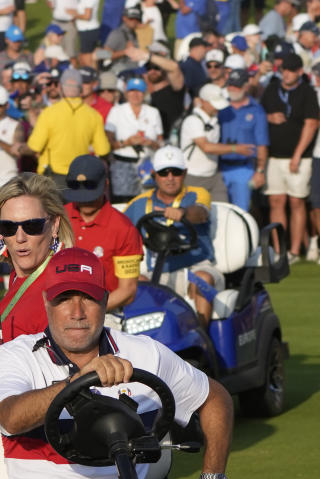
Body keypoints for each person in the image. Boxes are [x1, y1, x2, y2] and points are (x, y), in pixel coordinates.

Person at [0, 247, 235, 479]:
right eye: (64, 299)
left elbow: (215, 398)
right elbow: (8, 418)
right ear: (47, 302)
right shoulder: (16, 355)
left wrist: (212, 478)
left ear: (106, 301)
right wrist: (76, 381)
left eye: (89, 299)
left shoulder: (145, 352)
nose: (77, 312)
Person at [124, 146, 223, 327]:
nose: (170, 177)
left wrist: (183, 213)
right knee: (134, 281)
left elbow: (201, 213)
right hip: (156, 270)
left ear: (184, 173)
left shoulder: (197, 194)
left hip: (195, 266)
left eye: (176, 172)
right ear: (154, 175)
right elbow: (119, 230)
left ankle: (202, 340)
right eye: (164, 172)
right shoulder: (138, 203)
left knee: (202, 279)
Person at [0, 173, 75, 349]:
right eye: (8, 227)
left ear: (54, 225)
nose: (20, 237)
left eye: (32, 225)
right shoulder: (17, 276)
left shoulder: (63, 288)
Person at [61, 155, 143, 324]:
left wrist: (86, 312)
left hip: (104, 314)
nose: (84, 200)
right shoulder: (57, 218)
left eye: (90, 193)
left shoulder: (124, 228)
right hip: (58, 310)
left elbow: (127, 290)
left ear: (106, 185)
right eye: (79, 192)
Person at [261, 53, 319, 261]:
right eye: (284, 69)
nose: (286, 73)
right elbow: (260, 113)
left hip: (299, 158)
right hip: (273, 157)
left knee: (296, 202)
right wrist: (269, 117)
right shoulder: (272, 89)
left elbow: (311, 124)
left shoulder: (307, 92)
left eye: (291, 70)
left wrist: (297, 155)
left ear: (299, 72)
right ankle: (279, 249)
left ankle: (294, 251)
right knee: (276, 201)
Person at [26, 69, 111, 188]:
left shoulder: (49, 113)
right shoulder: (94, 115)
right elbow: (103, 150)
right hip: (80, 176)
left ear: (60, 87)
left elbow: (34, 146)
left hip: (52, 177)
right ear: (81, 88)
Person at [179, 83, 250, 203]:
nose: (217, 108)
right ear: (203, 101)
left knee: (224, 211)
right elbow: (206, 147)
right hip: (194, 177)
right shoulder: (192, 121)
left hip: (214, 175)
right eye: (213, 104)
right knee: (195, 215)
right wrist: (235, 149)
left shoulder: (214, 120)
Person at [105, 76, 163, 202]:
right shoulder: (116, 111)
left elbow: (160, 143)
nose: (135, 95)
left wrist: (150, 142)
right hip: (122, 164)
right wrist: (127, 142)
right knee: (122, 203)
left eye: (139, 91)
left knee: (147, 200)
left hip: (147, 163)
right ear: (126, 93)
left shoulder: (153, 112)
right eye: (132, 91)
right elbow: (108, 143)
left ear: (144, 93)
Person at [219, 68, 269, 212]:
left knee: (241, 213)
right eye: (230, 84)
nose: (232, 89)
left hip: (243, 169)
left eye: (237, 85)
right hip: (219, 168)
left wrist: (260, 171)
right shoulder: (220, 106)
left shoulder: (257, 110)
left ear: (246, 86)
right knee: (219, 213)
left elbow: (262, 144)